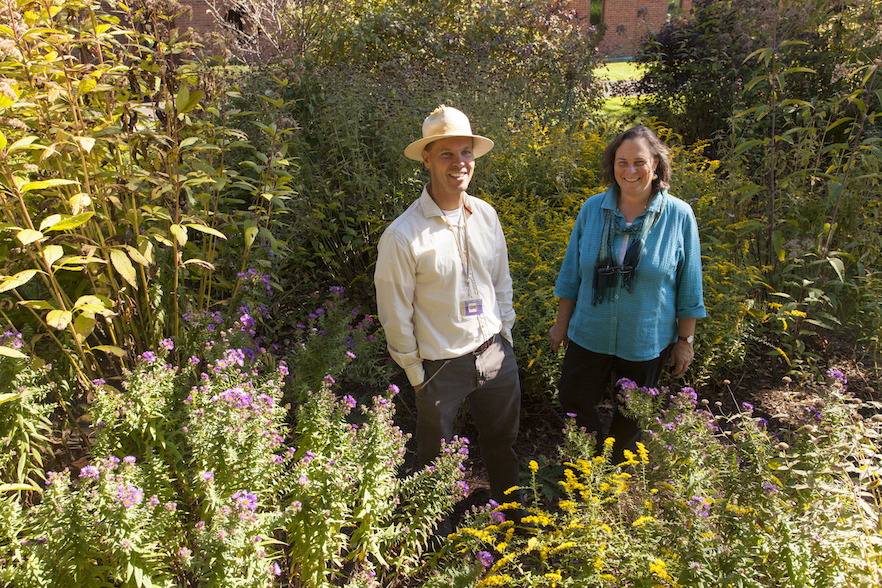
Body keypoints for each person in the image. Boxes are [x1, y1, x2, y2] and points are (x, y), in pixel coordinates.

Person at [374, 105, 522, 509]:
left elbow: (500, 281)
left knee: (503, 446)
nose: (459, 163)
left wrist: (504, 337)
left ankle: (513, 516)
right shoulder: (403, 235)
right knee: (435, 463)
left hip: (494, 354)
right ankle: (437, 538)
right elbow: (394, 310)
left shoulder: (486, 216)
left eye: (466, 152)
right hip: (440, 369)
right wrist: (416, 374)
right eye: (446, 154)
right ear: (426, 159)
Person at [548, 126, 706, 459]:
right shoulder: (593, 209)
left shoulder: (678, 215)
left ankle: (616, 475)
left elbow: (690, 284)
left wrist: (685, 341)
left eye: (639, 162)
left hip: (646, 337)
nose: (630, 171)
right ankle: (588, 463)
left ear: (656, 165)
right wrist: (561, 324)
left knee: (632, 413)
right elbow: (572, 273)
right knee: (573, 397)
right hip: (590, 331)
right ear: (612, 165)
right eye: (622, 162)